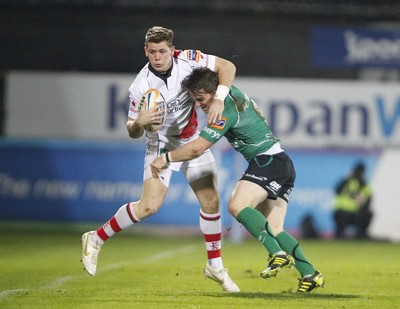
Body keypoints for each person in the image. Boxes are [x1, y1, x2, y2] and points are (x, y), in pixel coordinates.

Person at [81, 26, 240, 292]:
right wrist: (138, 123)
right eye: (152, 52)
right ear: (146, 51)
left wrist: (219, 99)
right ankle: (95, 238)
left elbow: (227, 66)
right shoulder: (140, 85)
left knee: (211, 200)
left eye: (162, 52)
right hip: (160, 145)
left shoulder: (189, 59)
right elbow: (132, 131)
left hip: (190, 140)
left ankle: (215, 266)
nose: (157, 57)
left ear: (171, 49)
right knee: (149, 207)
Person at [151, 67, 326, 293]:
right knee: (274, 228)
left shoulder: (224, 112)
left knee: (236, 205)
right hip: (282, 162)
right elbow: (226, 74)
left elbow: (197, 149)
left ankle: (277, 253)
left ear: (213, 93)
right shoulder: (231, 92)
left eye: (201, 99)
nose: (199, 105)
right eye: (196, 100)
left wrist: (165, 157)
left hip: (267, 162)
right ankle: (310, 273)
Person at [333, 162, 373, 239]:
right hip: (342, 211)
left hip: (356, 213)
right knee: (343, 216)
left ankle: (361, 235)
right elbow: (336, 191)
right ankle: (339, 235)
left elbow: (368, 200)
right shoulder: (346, 181)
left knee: (367, 214)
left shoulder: (364, 184)